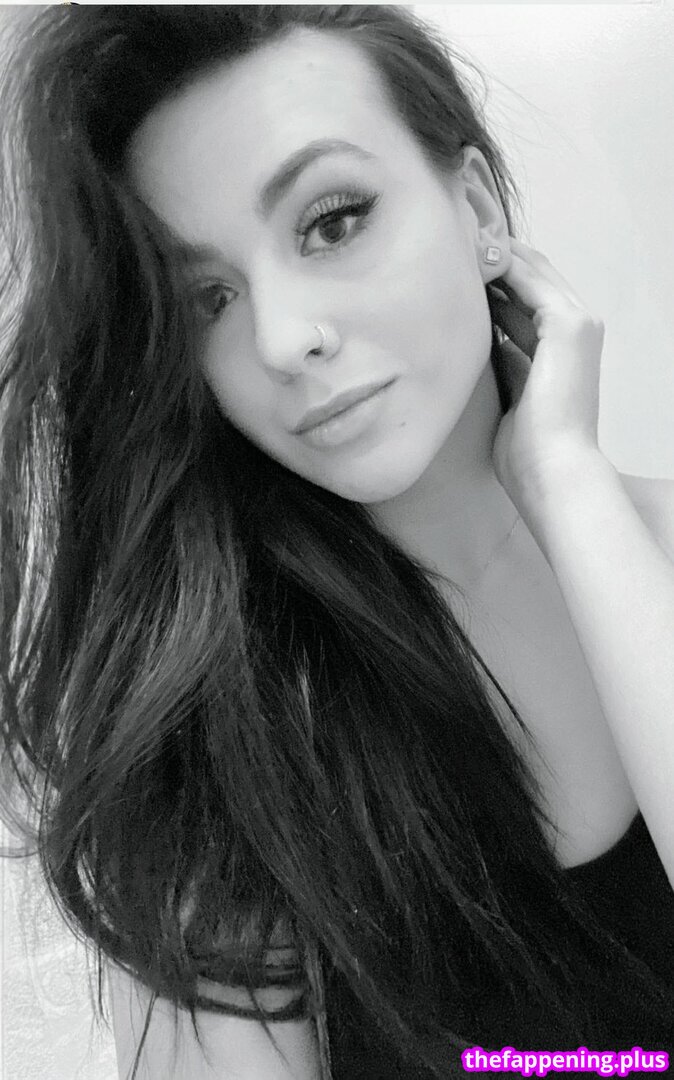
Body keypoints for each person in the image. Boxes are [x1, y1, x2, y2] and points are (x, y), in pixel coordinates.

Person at [0, 6, 673, 1079]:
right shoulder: (208, 738)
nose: (282, 338)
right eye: (207, 298)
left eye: (332, 222)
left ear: (476, 207)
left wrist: (568, 486)